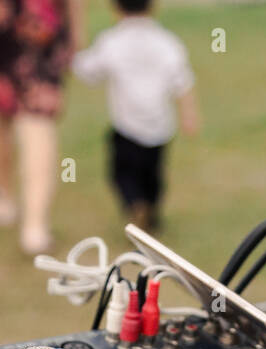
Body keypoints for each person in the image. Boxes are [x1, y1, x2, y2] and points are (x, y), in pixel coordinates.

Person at [72, 0, 201, 231]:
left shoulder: (111, 41)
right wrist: (189, 115)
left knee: (123, 174)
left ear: (115, 8)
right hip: (160, 126)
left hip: (127, 127)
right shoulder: (166, 42)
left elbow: (87, 71)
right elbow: (182, 81)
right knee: (152, 174)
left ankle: (135, 204)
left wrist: (76, 44)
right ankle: (151, 209)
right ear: (154, 7)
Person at [0, 0, 85, 255]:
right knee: (33, 118)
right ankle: (32, 223)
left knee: (5, 110)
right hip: (33, 17)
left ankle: (7, 201)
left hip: (4, 17)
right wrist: (77, 33)